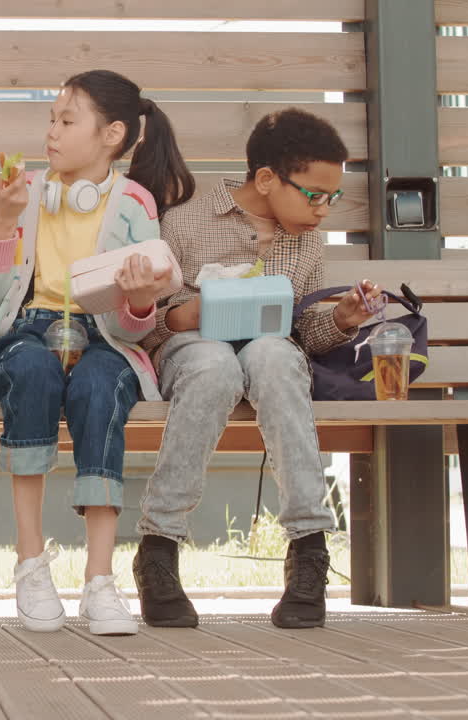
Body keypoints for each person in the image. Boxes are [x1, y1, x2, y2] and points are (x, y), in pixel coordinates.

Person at [133, 107, 381, 630]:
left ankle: (309, 547)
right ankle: (158, 548)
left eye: (332, 198)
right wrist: (183, 314)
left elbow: (304, 334)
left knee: (274, 356)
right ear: (267, 179)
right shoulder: (185, 222)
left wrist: (342, 318)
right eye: (313, 195)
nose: (323, 211)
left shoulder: (306, 241)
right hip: (194, 350)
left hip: (271, 356)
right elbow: (148, 324)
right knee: (214, 366)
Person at [0, 69, 193, 636]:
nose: (51, 131)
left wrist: (140, 300)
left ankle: (100, 579)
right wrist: (3, 223)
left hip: (103, 334)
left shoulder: (134, 204)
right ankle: (30, 562)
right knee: (31, 372)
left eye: (67, 121)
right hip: (30, 329)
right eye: (51, 119)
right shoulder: (25, 193)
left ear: (111, 135)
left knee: (99, 388)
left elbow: (133, 327)